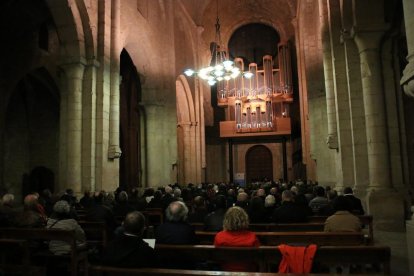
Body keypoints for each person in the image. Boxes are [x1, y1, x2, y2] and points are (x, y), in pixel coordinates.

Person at [214, 206, 260, 271]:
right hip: (248, 271)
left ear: (226, 220)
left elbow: (217, 258)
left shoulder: (219, 236)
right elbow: (257, 258)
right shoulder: (252, 236)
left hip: (226, 270)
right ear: (244, 219)